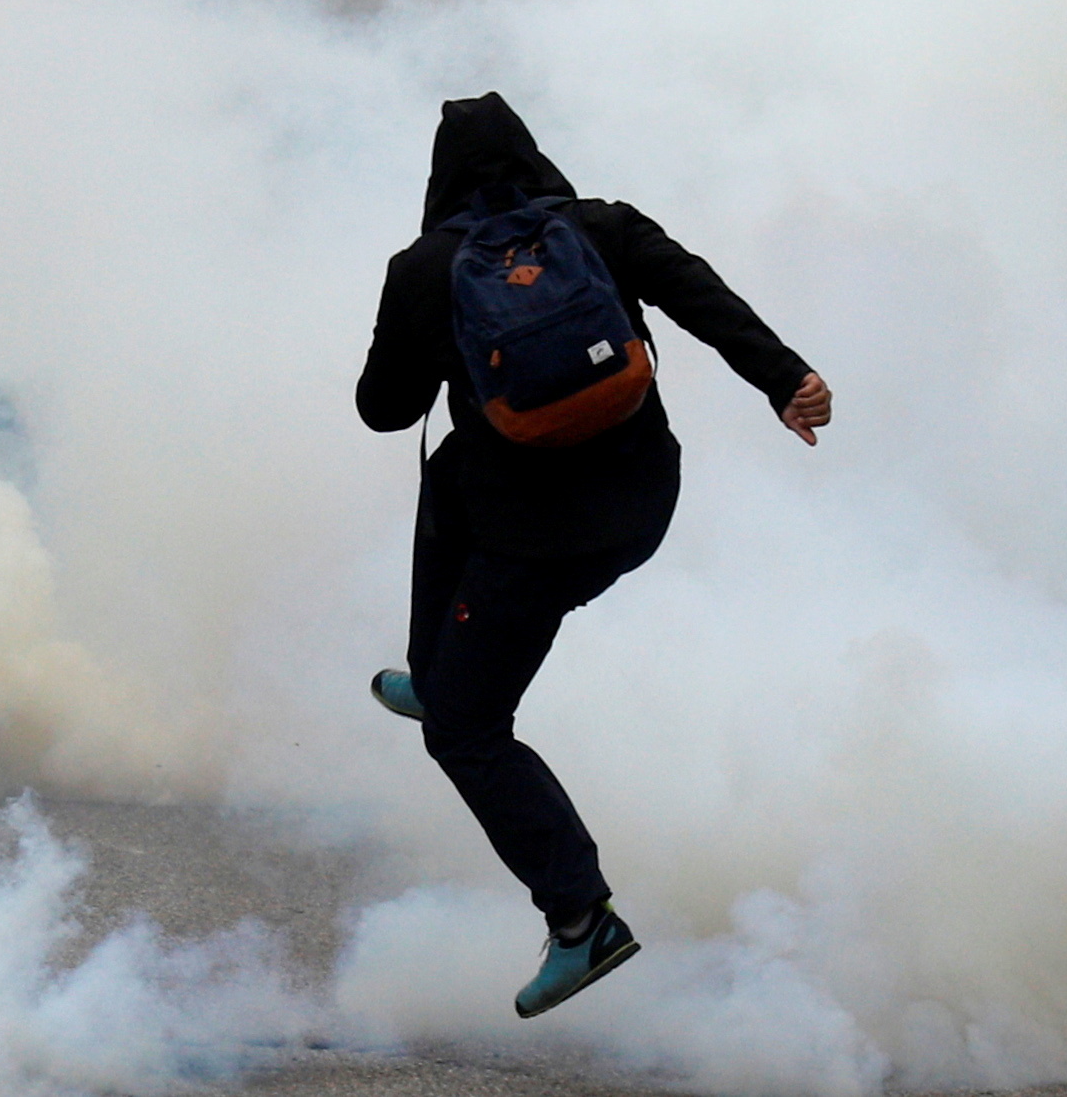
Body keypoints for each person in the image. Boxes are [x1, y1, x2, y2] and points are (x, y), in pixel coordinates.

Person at [356, 93, 831, 1019]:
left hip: (530, 544)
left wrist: (435, 336)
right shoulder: (603, 227)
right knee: (457, 478)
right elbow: (704, 296)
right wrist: (788, 380)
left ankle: (582, 921)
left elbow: (382, 408)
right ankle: (439, 670)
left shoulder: (426, 268)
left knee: (464, 731)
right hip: (640, 506)